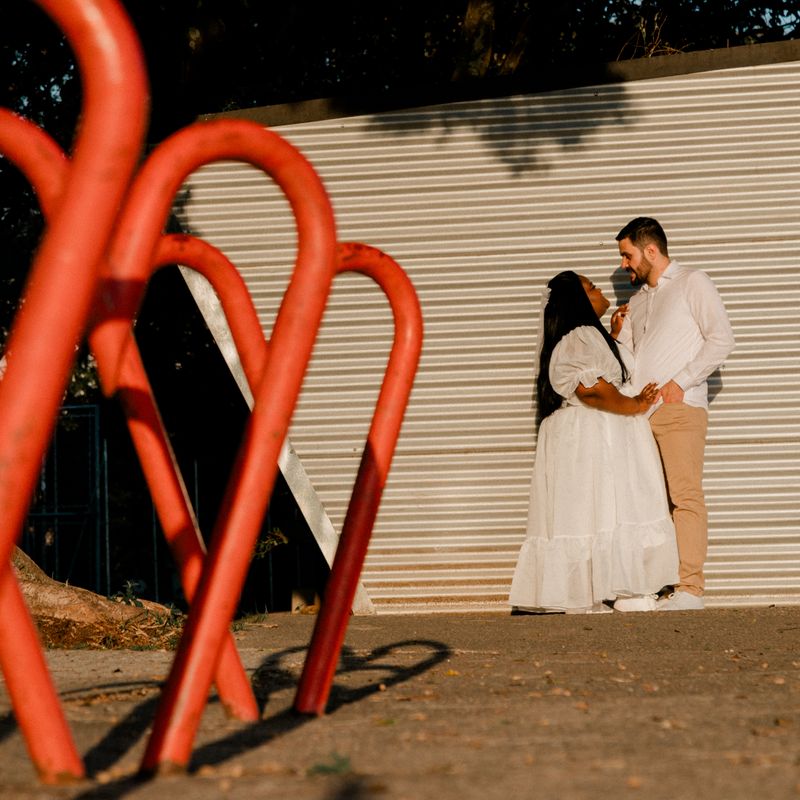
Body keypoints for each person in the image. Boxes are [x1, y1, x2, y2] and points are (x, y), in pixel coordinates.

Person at [509, 270, 679, 615]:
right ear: (579, 299)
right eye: (592, 286)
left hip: (586, 435)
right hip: (597, 434)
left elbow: (596, 373)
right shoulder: (582, 335)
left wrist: (613, 336)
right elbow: (591, 390)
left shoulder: (587, 336)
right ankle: (625, 588)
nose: (601, 290)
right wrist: (635, 405)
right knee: (611, 508)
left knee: (591, 512)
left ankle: (591, 589)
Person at [615, 217, 735, 611]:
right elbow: (629, 361)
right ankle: (655, 586)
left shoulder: (692, 282)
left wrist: (681, 382)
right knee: (648, 502)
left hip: (678, 410)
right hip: (640, 414)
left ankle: (690, 589)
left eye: (627, 255)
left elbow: (721, 339)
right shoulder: (637, 301)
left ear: (651, 250)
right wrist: (616, 335)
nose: (624, 265)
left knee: (684, 497)